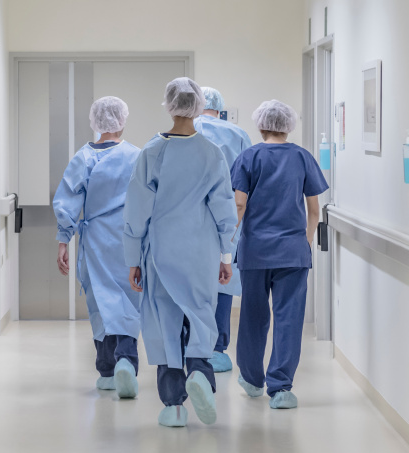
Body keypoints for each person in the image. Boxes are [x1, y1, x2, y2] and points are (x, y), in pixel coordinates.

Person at [123, 77, 238, 427]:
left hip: (160, 253)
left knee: (164, 323)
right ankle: (200, 371)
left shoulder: (151, 153)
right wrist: (225, 256)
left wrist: (133, 260)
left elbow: (136, 212)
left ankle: (173, 405)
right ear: (200, 105)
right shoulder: (211, 153)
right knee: (201, 314)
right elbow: (225, 211)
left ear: (170, 105)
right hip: (201, 253)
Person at [231, 100, 328, 409]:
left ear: (260, 126)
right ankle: (281, 388)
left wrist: (227, 244)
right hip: (293, 253)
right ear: (289, 126)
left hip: (256, 251)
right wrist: (306, 242)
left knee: (252, 316)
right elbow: (314, 210)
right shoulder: (302, 157)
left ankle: (251, 378)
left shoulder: (249, 157)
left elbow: (239, 205)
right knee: (289, 318)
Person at [54, 96, 144, 399]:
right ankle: (127, 362)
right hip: (129, 238)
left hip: (95, 240)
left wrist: (63, 240)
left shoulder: (84, 157)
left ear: (96, 122)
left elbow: (67, 202)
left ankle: (107, 370)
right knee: (129, 300)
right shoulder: (137, 156)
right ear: (122, 120)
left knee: (101, 302)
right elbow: (149, 200)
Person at [196, 87, 253, 373]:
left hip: (187, 221)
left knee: (189, 284)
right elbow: (248, 183)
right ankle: (217, 350)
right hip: (230, 218)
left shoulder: (184, 131)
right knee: (223, 277)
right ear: (220, 109)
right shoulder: (238, 135)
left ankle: (191, 347)